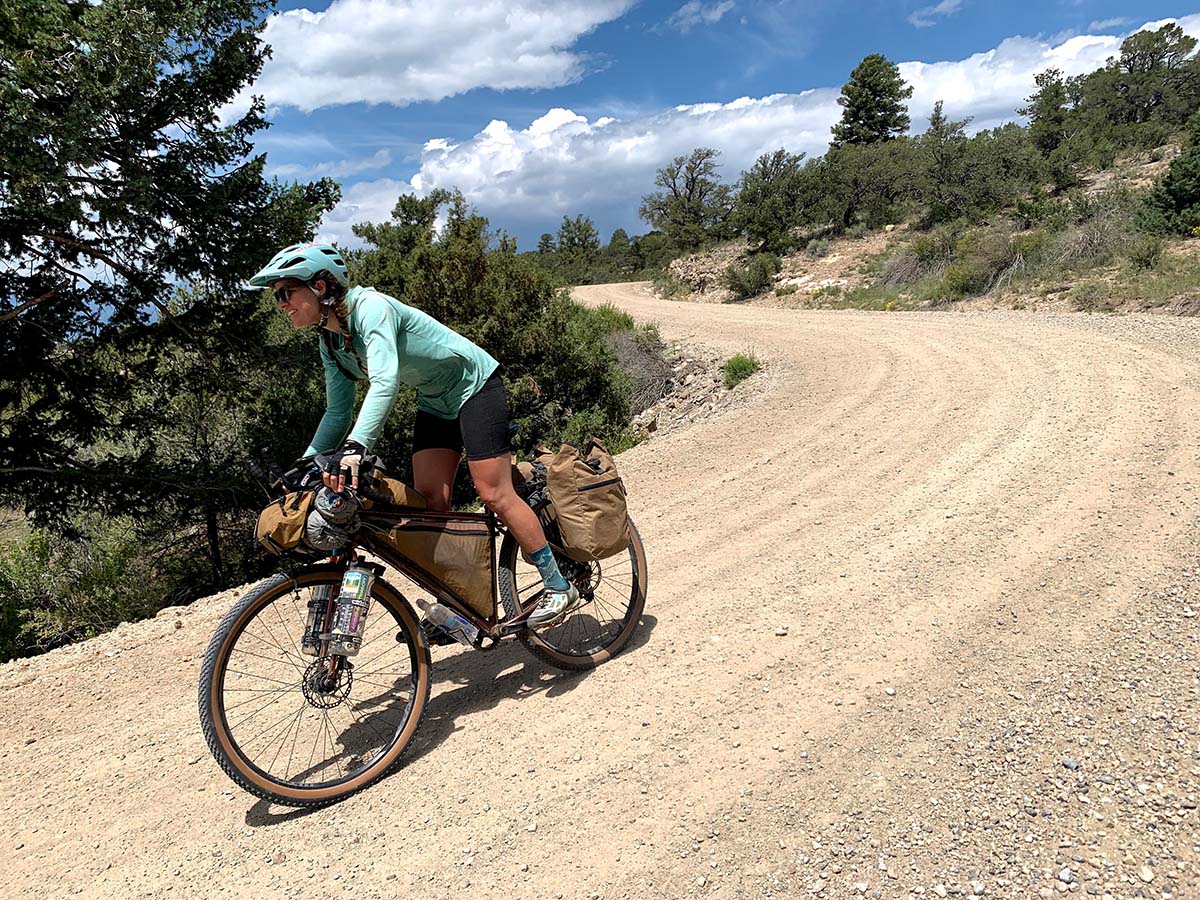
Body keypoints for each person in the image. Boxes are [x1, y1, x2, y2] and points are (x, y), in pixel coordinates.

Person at [248, 242, 576, 626]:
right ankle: (463, 607)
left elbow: (385, 382)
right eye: (277, 298)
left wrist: (356, 447)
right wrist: (305, 463)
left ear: (320, 287)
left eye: (286, 293)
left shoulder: (370, 309)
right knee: (430, 508)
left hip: (475, 385)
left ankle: (558, 585)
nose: (282, 304)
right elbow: (337, 412)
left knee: (493, 493)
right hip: (437, 401)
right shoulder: (331, 340)